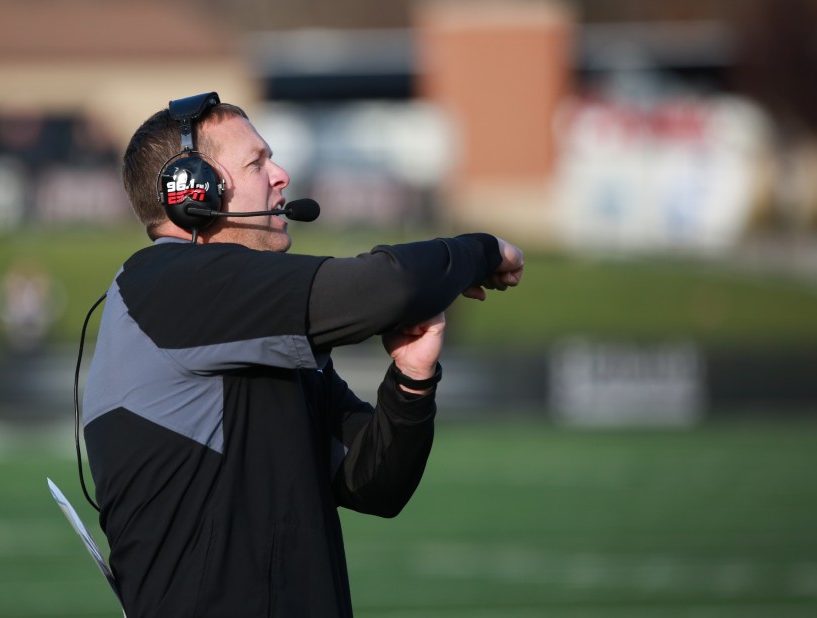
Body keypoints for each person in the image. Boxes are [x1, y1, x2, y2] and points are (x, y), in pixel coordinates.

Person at [82, 92, 524, 617]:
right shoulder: (171, 284)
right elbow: (388, 286)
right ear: (192, 192)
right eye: (257, 162)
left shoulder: (233, 321)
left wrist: (410, 381)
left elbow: (373, 483)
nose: (281, 175)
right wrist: (483, 250)